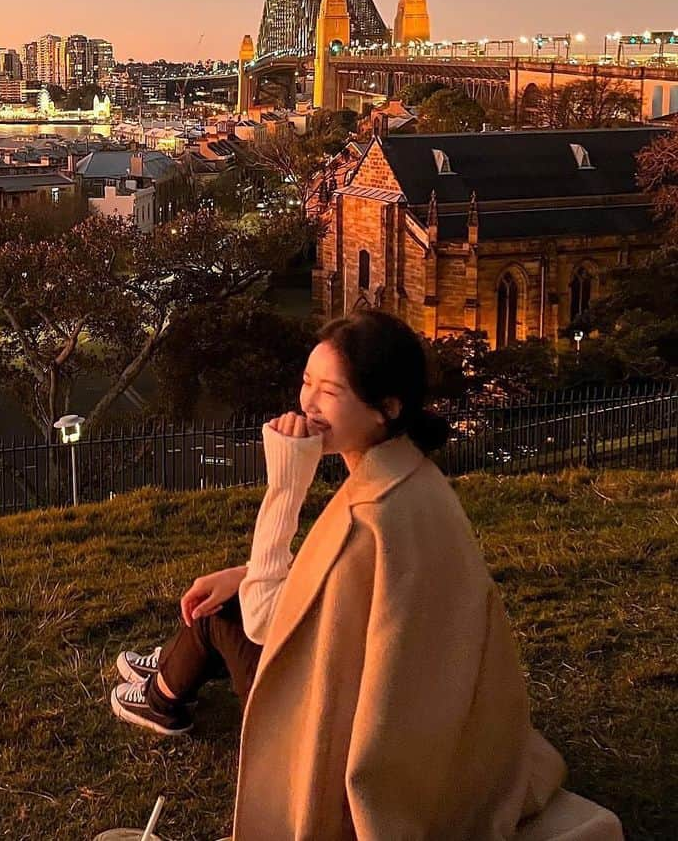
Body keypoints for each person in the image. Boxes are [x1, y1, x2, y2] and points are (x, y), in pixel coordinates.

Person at [110, 310, 576, 840]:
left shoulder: (368, 514)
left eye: (329, 391)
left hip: (351, 734)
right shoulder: (410, 476)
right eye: (307, 382)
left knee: (219, 616)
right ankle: (166, 676)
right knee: (235, 589)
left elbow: (265, 623)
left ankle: (162, 698)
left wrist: (286, 482)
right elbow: (335, 579)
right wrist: (244, 572)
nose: (308, 403)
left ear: (385, 409)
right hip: (425, 719)